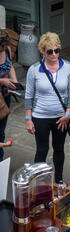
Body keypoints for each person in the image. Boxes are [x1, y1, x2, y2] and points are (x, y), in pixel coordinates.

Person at [25, 32, 70, 183]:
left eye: (57, 50)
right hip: (40, 116)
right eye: (50, 51)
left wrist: (68, 114)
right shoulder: (34, 70)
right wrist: (28, 119)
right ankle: (38, 182)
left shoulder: (68, 67)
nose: (54, 54)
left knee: (59, 148)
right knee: (42, 149)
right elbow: (28, 96)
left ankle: (59, 180)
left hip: (61, 117)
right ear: (42, 51)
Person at [0, 30, 18, 162]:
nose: (2, 50)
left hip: (4, 97)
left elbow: (10, 66)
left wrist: (14, 81)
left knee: (1, 131)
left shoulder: (6, 49)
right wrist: (1, 81)